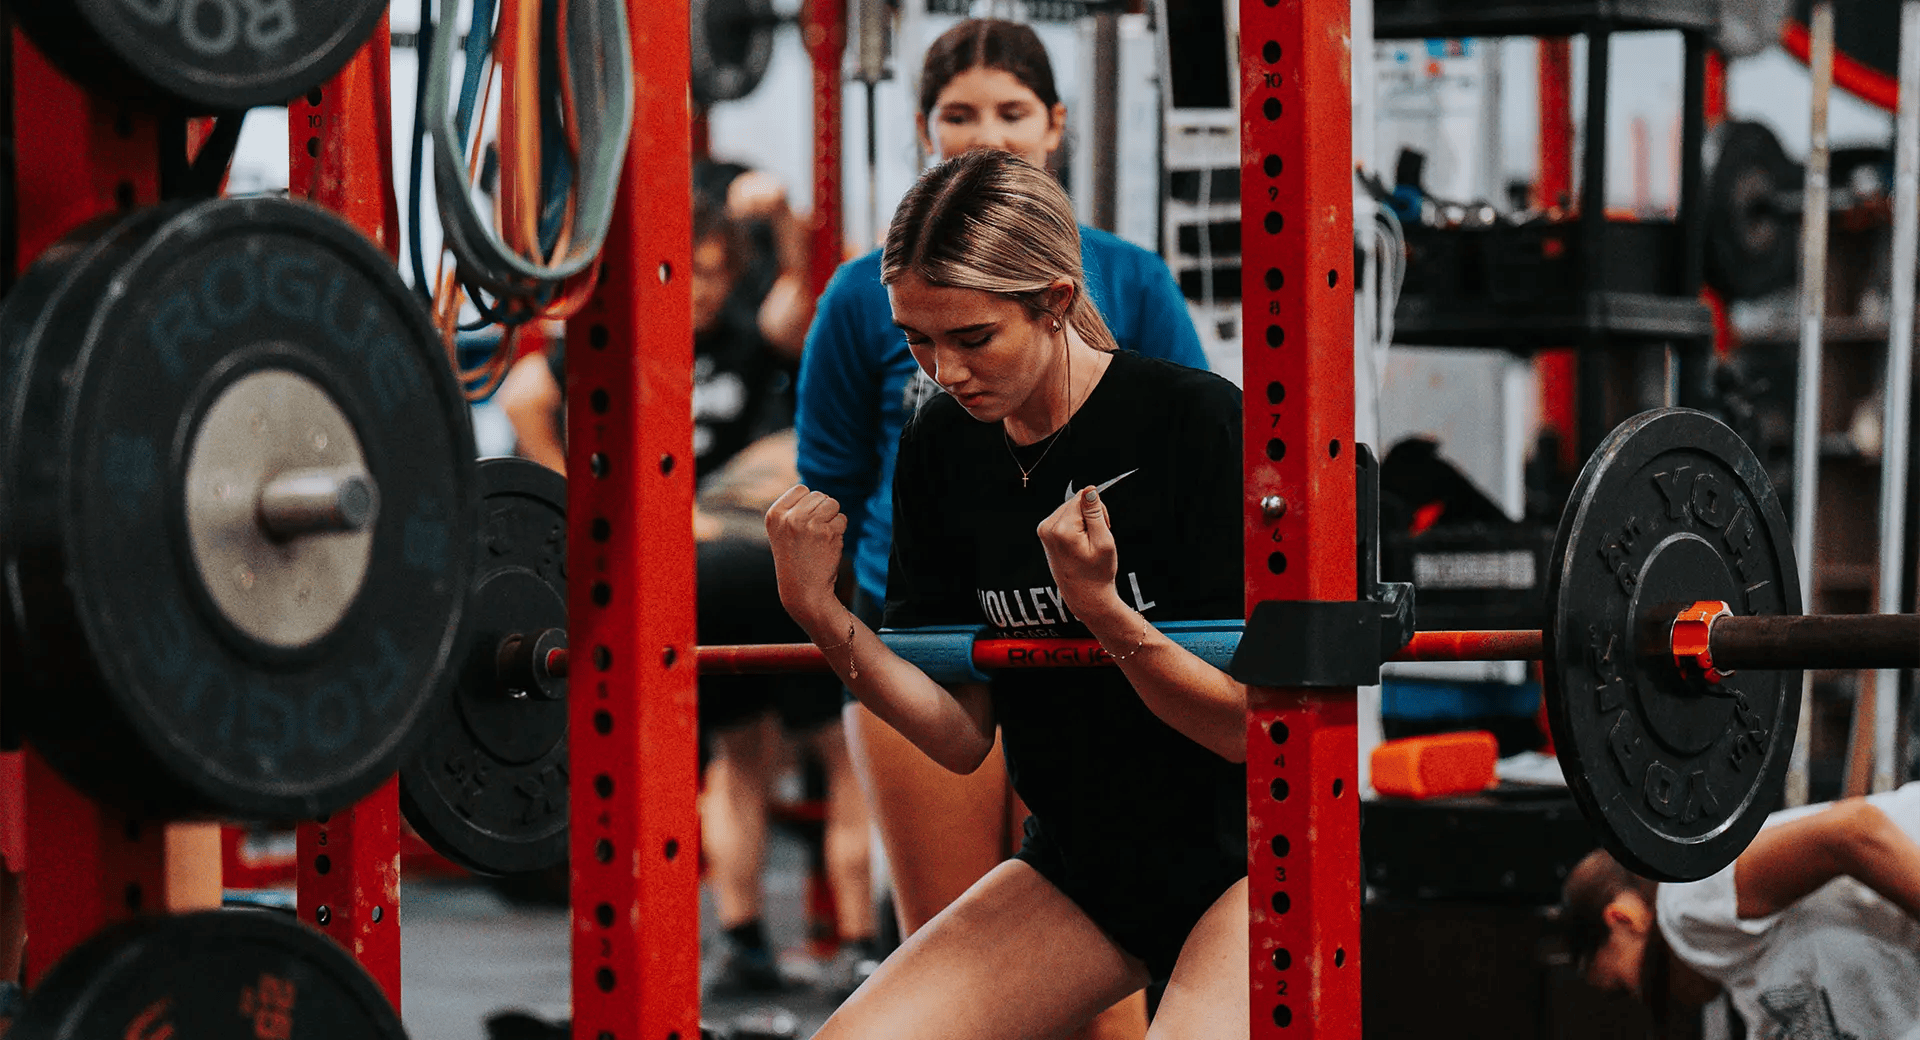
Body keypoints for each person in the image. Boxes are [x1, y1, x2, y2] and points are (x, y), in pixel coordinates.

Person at [767, 148, 1248, 1039]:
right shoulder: (943, 447)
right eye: (918, 339)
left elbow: (1245, 730)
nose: (942, 370)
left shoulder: (1196, 423)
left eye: (972, 338)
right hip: (1081, 871)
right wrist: (823, 616)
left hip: (1249, 864)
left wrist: (1104, 612)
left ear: (1056, 300)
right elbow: (960, 736)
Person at [496, 192, 877, 995]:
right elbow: (523, 393)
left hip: (759, 561)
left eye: (711, 274)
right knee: (802, 757)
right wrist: (582, 517)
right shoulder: (624, 340)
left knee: (800, 756)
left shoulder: (749, 338)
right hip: (707, 573)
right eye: (684, 273)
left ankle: (839, 948)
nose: (697, 289)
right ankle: (788, 946)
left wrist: (781, 224)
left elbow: (796, 305)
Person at [1564, 781, 1920, 1038]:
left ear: (1624, 917)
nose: (1647, 1001)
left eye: (1624, 987)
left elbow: (1853, 832)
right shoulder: (1738, 982)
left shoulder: (1685, 903)